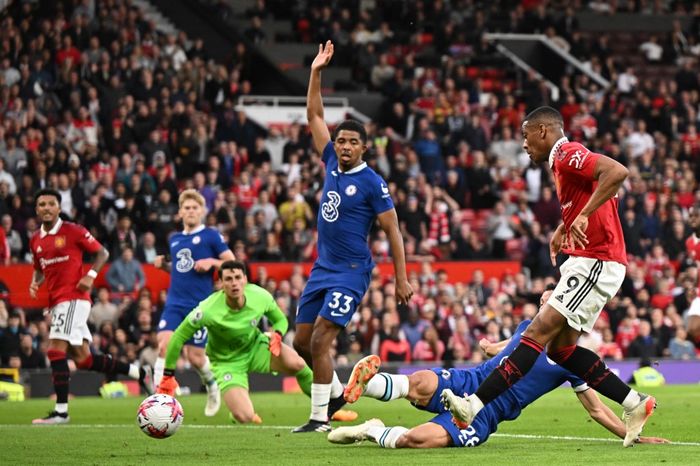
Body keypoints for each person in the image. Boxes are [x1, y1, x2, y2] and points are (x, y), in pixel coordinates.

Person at [441, 106, 656, 447]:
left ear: (543, 131)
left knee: (538, 330)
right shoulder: (562, 164)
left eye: (526, 136)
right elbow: (590, 195)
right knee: (561, 350)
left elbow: (617, 172)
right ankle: (634, 403)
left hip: (596, 260)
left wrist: (582, 216)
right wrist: (565, 226)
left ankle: (474, 404)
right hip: (589, 260)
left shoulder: (567, 153)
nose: (524, 145)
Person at [329, 287, 669, 449]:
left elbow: (596, 410)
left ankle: (371, 429)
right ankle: (369, 384)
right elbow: (505, 349)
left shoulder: (572, 359)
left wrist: (633, 435)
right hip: (472, 380)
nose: (546, 303)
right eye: (545, 299)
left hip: (488, 412)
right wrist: (488, 347)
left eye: (553, 300)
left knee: (417, 440)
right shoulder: (527, 328)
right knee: (419, 381)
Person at [292, 40, 413, 433]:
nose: (343, 146)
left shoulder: (373, 183)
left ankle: (318, 418)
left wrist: (401, 278)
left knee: (323, 339)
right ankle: (343, 392)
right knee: (302, 344)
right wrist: (315, 72)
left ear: (364, 147)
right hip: (322, 268)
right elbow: (314, 114)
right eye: (340, 140)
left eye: (351, 142)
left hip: (351, 271)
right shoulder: (329, 161)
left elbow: (392, 229)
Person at [28, 188, 151, 424]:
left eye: (51, 204)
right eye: (41, 204)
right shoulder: (36, 239)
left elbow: (102, 253)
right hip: (57, 302)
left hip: (74, 297)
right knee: (83, 359)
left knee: (55, 350)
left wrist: (91, 275)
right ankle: (140, 372)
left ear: (58, 207)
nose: (46, 208)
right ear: (36, 209)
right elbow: (40, 268)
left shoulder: (72, 231)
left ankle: (61, 412)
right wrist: (35, 282)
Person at [155, 260, 314, 424]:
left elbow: (280, 320)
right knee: (245, 416)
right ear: (221, 283)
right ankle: (236, 412)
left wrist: (278, 334)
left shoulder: (260, 296)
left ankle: (322, 411)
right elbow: (178, 336)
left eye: (238, 277)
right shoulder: (207, 310)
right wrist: (168, 375)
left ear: (245, 279)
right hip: (227, 362)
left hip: (255, 347)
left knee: (299, 364)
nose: (234, 283)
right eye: (229, 279)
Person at [153, 189, 235, 417]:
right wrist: (164, 267)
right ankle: (159, 401)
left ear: (202, 211)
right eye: (186, 208)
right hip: (174, 303)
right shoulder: (175, 239)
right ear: (180, 212)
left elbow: (233, 264)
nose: (190, 211)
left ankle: (211, 386)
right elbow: (181, 270)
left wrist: (211, 261)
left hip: (199, 306)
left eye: (194, 208)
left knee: (195, 357)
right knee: (164, 346)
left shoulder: (211, 235)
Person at [684, 207, 700, 346]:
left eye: (696, 215)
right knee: (691, 329)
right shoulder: (689, 242)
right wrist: (694, 287)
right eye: (691, 216)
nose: (693, 219)